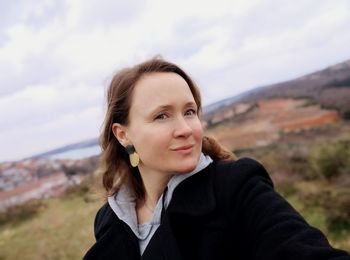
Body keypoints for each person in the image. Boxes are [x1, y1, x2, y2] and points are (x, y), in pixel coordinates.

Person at [83, 57, 349, 260]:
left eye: (189, 112)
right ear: (123, 135)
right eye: (161, 116)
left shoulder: (237, 187)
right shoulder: (110, 218)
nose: (186, 129)